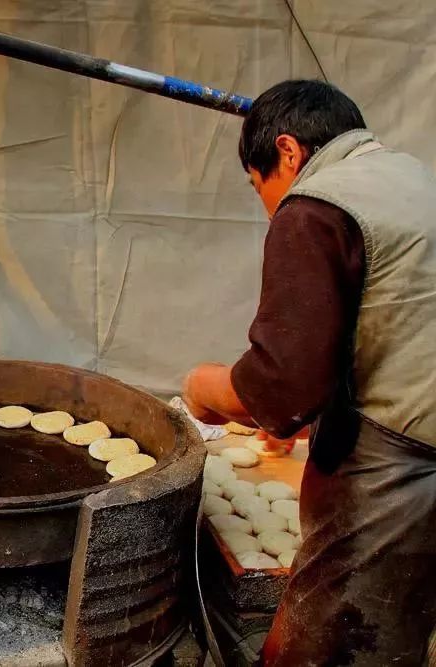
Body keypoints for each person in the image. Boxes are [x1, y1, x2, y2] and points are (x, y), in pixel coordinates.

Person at [182, 80, 436, 665]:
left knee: (328, 648)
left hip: (397, 478)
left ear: (289, 152)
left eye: (258, 184)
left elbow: (281, 384)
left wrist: (208, 387)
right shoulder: (414, 179)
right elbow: (396, 327)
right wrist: (309, 412)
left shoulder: (319, 204)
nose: (267, 203)